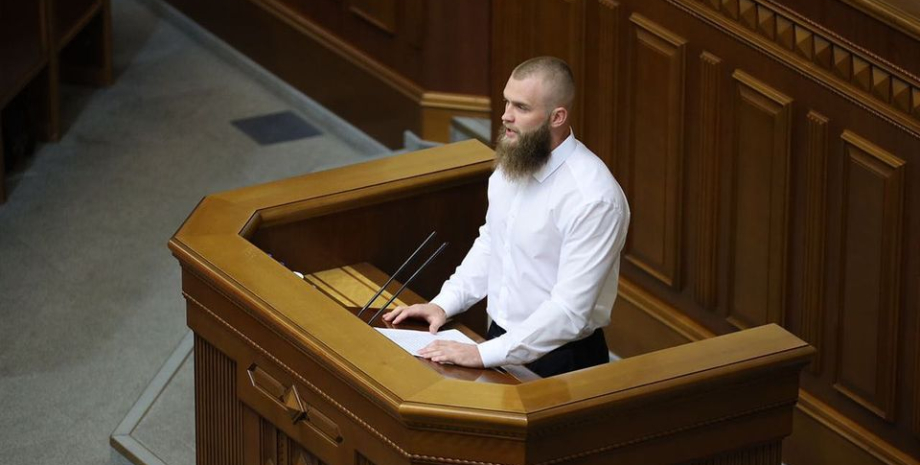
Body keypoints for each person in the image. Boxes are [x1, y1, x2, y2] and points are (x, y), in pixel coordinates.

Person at [383, 56, 630, 377]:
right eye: (506, 102)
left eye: (521, 107)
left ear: (557, 116)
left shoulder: (593, 198)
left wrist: (483, 353)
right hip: (499, 338)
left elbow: (569, 312)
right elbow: (492, 243)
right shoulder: (512, 163)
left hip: (562, 360)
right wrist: (444, 303)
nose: (505, 116)